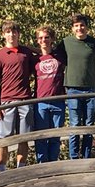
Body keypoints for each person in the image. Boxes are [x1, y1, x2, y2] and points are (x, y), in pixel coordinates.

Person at [0, 19, 35, 170]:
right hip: (6, 101)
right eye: (8, 32)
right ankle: (2, 170)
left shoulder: (26, 53)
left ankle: (20, 168)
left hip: (25, 100)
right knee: (3, 137)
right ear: (3, 35)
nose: (11, 35)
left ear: (18, 34)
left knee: (24, 137)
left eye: (14, 32)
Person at [61, 13, 95, 159]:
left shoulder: (94, 43)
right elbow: (53, 56)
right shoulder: (66, 42)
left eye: (82, 25)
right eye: (76, 26)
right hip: (73, 88)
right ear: (72, 28)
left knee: (89, 124)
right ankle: (74, 158)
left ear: (86, 27)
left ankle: (86, 157)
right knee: (75, 124)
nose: (79, 28)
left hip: (91, 88)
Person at [33, 25, 66, 164]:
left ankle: (53, 164)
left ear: (52, 39)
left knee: (55, 136)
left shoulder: (61, 56)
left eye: (46, 37)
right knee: (41, 136)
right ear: (37, 40)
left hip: (58, 101)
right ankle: (42, 165)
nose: (44, 40)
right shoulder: (34, 59)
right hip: (40, 102)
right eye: (40, 38)